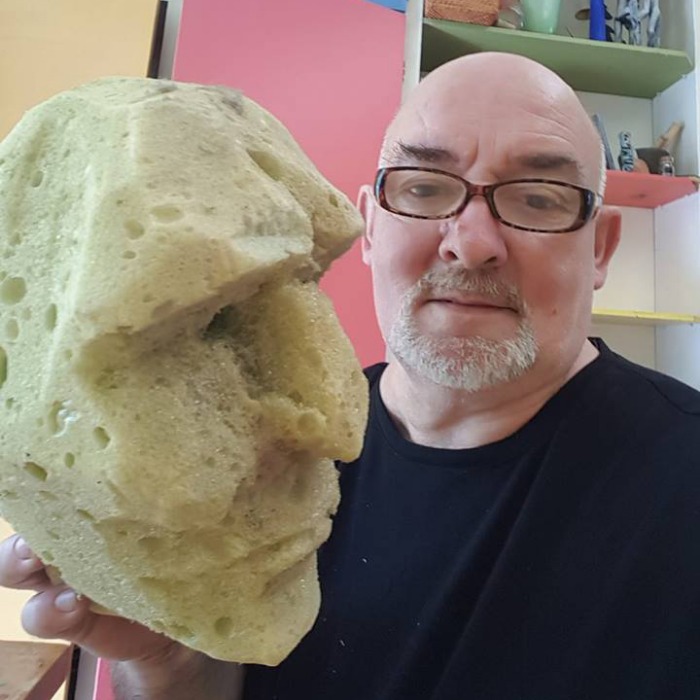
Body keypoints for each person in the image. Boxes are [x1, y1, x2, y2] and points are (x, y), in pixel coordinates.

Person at [2, 51, 700, 699]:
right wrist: (169, 663)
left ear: (600, 246)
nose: (471, 243)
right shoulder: (255, 458)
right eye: (424, 188)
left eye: (538, 198)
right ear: (368, 227)